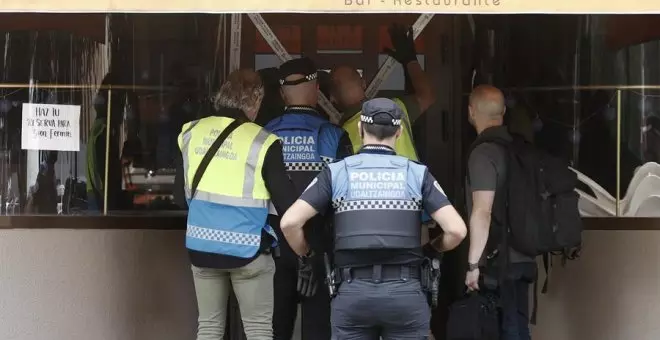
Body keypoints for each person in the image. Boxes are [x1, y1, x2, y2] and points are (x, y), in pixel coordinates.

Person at [279, 97, 467, 339]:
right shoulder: (416, 173)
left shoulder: (337, 172)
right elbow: (457, 231)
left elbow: (289, 223)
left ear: (360, 129)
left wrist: (307, 255)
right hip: (405, 292)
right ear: (398, 132)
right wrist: (432, 248)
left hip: (352, 293)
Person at [174, 69, 297, 340]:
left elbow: (177, 195)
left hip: (202, 245)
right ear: (255, 101)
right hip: (248, 250)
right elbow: (287, 204)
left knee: (208, 327)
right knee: (258, 330)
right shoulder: (262, 141)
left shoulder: (192, 133)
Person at [264, 57, 353, 340]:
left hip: (274, 246)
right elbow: (346, 200)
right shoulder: (333, 135)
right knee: (318, 331)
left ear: (281, 94)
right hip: (320, 247)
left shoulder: (263, 134)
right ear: (316, 89)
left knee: (275, 330)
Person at [464, 85, 537, 340]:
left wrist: (473, 264)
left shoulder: (484, 153)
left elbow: (482, 211)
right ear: (503, 111)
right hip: (526, 254)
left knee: (503, 330)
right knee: (518, 326)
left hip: (499, 260)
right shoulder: (520, 148)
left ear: (471, 112)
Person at [329, 24, 436, 161]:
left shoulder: (341, 136)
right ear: (363, 83)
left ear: (332, 98)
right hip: (410, 182)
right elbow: (428, 95)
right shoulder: (396, 108)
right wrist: (410, 60)